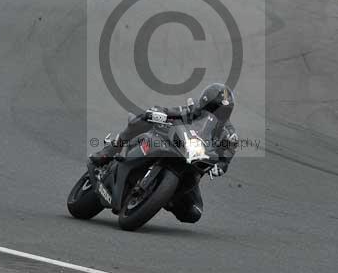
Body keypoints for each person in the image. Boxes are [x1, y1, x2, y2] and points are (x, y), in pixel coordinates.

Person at [89, 83, 239, 223]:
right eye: (213, 108)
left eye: (222, 111)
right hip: (170, 144)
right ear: (204, 103)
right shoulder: (192, 110)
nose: (216, 113)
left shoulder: (228, 134)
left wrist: (219, 166)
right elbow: (170, 112)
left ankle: (166, 198)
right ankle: (109, 151)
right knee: (143, 118)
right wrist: (158, 113)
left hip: (191, 166)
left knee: (194, 213)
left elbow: (226, 156)